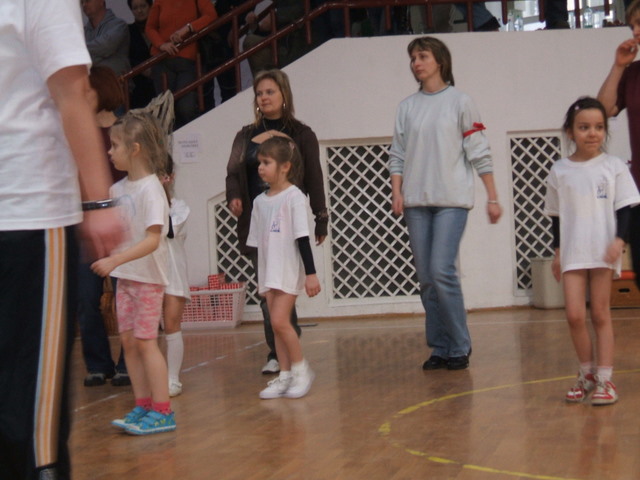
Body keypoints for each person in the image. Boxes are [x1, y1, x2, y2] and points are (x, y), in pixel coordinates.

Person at [0, 0, 124, 477]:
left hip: (23, 208)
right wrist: (98, 201)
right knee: (34, 418)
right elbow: (73, 92)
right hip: (27, 209)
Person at [388, 36, 502, 372]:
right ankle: (440, 347)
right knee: (426, 278)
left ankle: (460, 346)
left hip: (452, 202)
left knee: (441, 270)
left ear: (440, 60)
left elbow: (479, 151)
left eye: (422, 56)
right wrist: (397, 191)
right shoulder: (407, 107)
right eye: (413, 58)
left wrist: (492, 196)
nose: (416, 63)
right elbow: (398, 153)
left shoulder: (461, 102)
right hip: (416, 203)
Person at [225, 69, 328, 375]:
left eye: (270, 91)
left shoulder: (302, 134)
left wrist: (320, 217)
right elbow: (232, 173)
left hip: (288, 224)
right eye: (259, 93)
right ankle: (278, 355)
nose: (264, 97)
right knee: (268, 292)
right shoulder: (245, 135)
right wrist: (234, 196)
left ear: (284, 95)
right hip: (259, 219)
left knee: (284, 293)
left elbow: (314, 177)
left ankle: (291, 359)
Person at [544, 97, 640, 405]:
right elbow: (556, 217)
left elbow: (626, 208)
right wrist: (558, 251)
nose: (592, 133)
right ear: (570, 132)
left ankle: (605, 380)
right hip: (573, 252)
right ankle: (586, 374)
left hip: (602, 252)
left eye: (599, 127)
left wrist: (619, 241)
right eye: (584, 127)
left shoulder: (613, 166)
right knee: (574, 315)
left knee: (599, 314)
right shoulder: (560, 170)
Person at [92, 112, 175, 435]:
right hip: (125, 277)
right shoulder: (117, 190)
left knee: (146, 342)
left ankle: (163, 411)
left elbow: (153, 240)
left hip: (148, 279)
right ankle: (143, 405)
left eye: (115, 145)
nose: (109, 151)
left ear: (135, 149)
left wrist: (115, 260)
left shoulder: (151, 189)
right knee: (128, 342)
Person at [246, 136, 321, 399]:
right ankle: (285, 375)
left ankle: (302, 370)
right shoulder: (259, 202)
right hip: (269, 272)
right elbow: (258, 243)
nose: (261, 168)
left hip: (288, 270)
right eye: (259, 163)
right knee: (275, 325)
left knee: (280, 321)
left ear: (285, 166)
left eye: (266, 162)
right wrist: (261, 276)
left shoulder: (294, 197)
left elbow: (302, 238)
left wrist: (311, 274)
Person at [79, 66, 130, 387]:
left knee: (127, 297)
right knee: (86, 300)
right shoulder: (79, 133)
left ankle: (128, 362)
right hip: (85, 228)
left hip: (123, 227)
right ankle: (98, 364)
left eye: (88, 89)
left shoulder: (127, 130)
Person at [598, 0, 640, 289]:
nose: (635, 31)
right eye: (632, 26)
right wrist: (618, 66)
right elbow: (603, 110)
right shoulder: (632, 74)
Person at [145, 0, 218, 128]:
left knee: (186, 107)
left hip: (187, 60)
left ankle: (195, 136)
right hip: (162, 60)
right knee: (166, 112)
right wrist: (161, 45)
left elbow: (211, 15)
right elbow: (150, 27)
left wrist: (188, 28)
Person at [160, 155, 191, 398]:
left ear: (171, 177)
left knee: (171, 324)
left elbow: (167, 230)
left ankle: (172, 379)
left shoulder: (180, 207)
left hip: (173, 273)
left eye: (161, 175)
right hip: (147, 271)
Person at [82, 0, 131, 76]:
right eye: (82, 2)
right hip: (93, 82)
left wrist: (81, 48)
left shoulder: (119, 25)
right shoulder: (83, 32)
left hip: (117, 81)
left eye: (88, 1)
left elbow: (106, 47)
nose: (84, 5)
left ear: (101, 1)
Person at [127, 0, 157, 109]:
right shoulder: (128, 31)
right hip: (140, 86)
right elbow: (127, 56)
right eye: (135, 8)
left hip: (164, 77)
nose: (139, 11)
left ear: (150, 6)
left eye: (143, 6)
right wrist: (142, 69)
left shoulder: (160, 26)